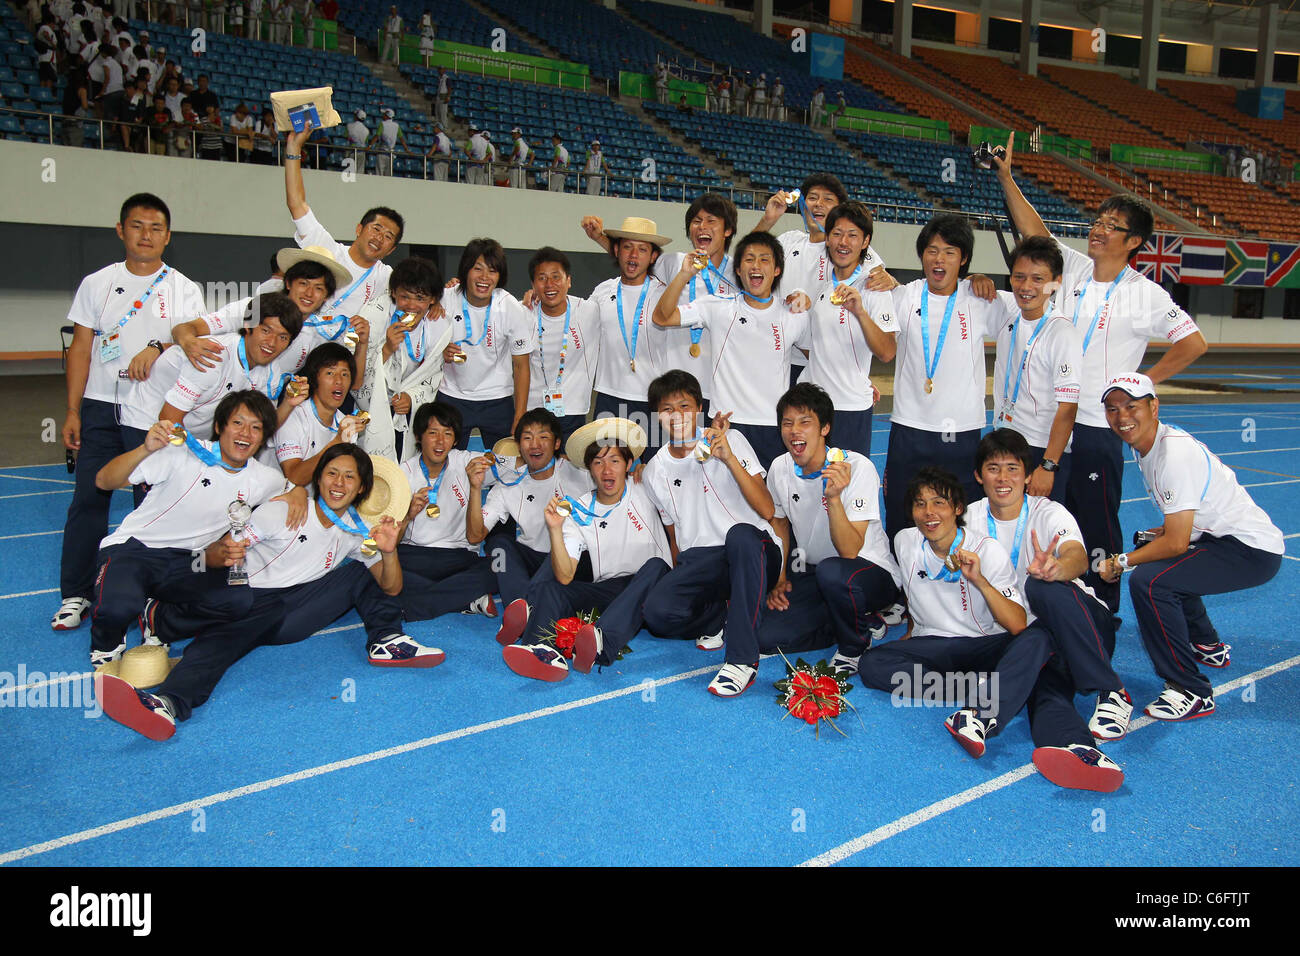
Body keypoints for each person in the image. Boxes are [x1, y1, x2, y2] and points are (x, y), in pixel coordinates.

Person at [994, 132, 1207, 614]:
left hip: (1094, 426)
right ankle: (1047, 602)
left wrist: (1139, 389)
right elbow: (1034, 232)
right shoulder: (1070, 267)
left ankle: (1103, 607)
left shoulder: (1145, 293)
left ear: (1133, 242)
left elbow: (1194, 343)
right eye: (1097, 221)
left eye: (1112, 226)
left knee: (1096, 523)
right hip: (1049, 422)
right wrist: (1007, 177)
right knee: (1046, 516)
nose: (1098, 229)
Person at [99, 443, 443, 740]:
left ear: (362, 487)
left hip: (294, 608)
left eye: (349, 477)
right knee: (223, 641)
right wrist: (222, 557)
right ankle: (167, 702)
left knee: (358, 573)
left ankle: (385, 640)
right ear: (319, 477)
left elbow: (391, 587)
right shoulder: (284, 511)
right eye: (332, 473)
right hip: (245, 597)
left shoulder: (355, 533)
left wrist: (389, 549)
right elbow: (221, 552)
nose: (339, 483)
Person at [53, 194, 206, 632]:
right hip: (101, 406)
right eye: (137, 226)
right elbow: (81, 348)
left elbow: (194, 342)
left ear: (168, 236)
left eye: (156, 228)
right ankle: (76, 595)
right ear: (121, 230)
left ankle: (150, 597)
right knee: (88, 501)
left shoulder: (184, 288)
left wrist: (158, 347)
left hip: (153, 414)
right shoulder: (96, 283)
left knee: (153, 505)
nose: (146, 235)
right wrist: (72, 410)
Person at [1099, 373, 1283, 721]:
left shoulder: (1174, 455)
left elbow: (1177, 542)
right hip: (1219, 537)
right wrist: (1152, 541)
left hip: (1250, 550)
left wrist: (1121, 562)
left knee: (1150, 581)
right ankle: (1207, 644)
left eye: (1131, 406)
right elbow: (1180, 525)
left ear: (1154, 406)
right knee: (1159, 555)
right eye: (1112, 409)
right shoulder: (1149, 446)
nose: (1122, 417)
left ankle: (1189, 689)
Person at [86, 391, 304, 672]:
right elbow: (103, 480)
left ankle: (159, 620)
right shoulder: (180, 453)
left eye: (256, 427)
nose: (245, 434)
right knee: (117, 608)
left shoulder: (264, 479)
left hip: (190, 561)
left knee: (237, 600)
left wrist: (297, 492)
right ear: (219, 427)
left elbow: (290, 488)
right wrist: (145, 448)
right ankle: (107, 641)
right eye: (237, 423)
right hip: (136, 550)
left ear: (263, 439)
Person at [964, 428, 1129, 790]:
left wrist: (1058, 568)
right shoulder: (968, 520)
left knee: (1041, 588)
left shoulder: (1049, 512)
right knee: (1045, 682)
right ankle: (1077, 749)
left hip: (1083, 625)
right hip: (1031, 640)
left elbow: (1077, 555)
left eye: (1012, 468)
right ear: (978, 476)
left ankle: (1111, 688)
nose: (1003, 478)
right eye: (993, 468)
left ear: (1027, 474)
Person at [858, 467, 1055, 767]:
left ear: (957, 509)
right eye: (920, 504)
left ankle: (979, 714)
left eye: (939, 502)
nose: (928, 513)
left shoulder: (987, 550)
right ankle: (984, 686)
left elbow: (1016, 624)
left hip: (982, 645)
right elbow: (914, 592)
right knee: (871, 665)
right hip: (933, 646)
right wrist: (912, 630)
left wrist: (980, 581)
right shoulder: (905, 541)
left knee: (1040, 635)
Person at [640, 371, 786, 697]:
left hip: (754, 550)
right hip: (706, 564)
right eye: (667, 409)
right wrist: (683, 584)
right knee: (657, 612)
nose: (677, 415)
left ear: (700, 407)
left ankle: (742, 660)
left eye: (684, 405)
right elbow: (673, 534)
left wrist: (728, 459)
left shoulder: (729, 440)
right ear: (657, 416)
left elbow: (766, 509)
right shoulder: (654, 472)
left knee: (740, 536)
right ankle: (717, 615)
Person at [496, 419, 672, 682]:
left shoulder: (645, 486)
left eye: (614, 460)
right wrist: (555, 529)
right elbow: (566, 576)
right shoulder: (578, 508)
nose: (606, 470)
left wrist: (647, 468)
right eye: (598, 462)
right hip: (612, 590)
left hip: (654, 589)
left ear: (628, 465)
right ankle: (542, 648)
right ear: (589, 469)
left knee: (656, 565)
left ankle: (603, 641)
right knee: (551, 587)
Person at [760, 383, 901, 683]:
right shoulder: (779, 467)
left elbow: (849, 550)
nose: (794, 431)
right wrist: (782, 577)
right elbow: (780, 523)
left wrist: (834, 498)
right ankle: (846, 620)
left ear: (825, 428)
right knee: (766, 636)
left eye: (804, 422)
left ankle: (854, 645)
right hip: (816, 573)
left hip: (869, 574)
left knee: (835, 571)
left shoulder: (856, 467)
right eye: (787, 423)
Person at [880, 213, 1000, 549]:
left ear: (963, 259)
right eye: (932, 250)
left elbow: (1030, 303)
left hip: (962, 432)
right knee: (902, 515)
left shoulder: (981, 299)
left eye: (950, 252)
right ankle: (900, 593)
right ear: (921, 256)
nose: (939, 259)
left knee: (962, 518)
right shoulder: (903, 296)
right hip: (909, 427)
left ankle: (963, 591)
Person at [652, 230, 810, 470]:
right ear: (738, 270)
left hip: (773, 426)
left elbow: (814, 358)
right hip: (725, 424)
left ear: (777, 270)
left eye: (764, 259)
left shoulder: (794, 314)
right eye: (749, 259)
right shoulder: (718, 307)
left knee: (771, 505)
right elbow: (661, 317)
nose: (756, 265)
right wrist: (684, 274)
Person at [581, 193, 737, 401]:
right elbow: (636, 258)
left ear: (727, 230)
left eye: (711, 221)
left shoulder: (738, 272)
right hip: (677, 389)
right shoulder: (675, 263)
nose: (702, 226)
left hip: (720, 388)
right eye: (696, 221)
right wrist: (599, 237)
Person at [122, 292, 304, 449]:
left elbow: (262, 427)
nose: (272, 343)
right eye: (266, 331)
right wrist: (199, 456)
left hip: (190, 435)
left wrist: (288, 403)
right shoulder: (213, 357)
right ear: (248, 326)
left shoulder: (270, 372)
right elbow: (168, 419)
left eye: (283, 337)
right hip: (147, 422)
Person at [795, 201, 897, 458]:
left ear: (865, 242)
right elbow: (815, 348)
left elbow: (887, 352)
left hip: (850, 409)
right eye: (837, 234)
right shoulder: (822, 288)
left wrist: (860, 312)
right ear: (827, 239)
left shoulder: (874, 288)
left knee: (847, 489)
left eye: (852, 235)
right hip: (813, 407)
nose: (843, 242)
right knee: (813, 488)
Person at [989, 235, 1082, 504]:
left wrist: (1049, 465)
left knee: (1040, 535)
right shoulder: (1009, 312)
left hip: (1040, 450)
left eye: (1038, 279)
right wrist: (978, 279)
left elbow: (1068, 407)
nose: (1026, 286)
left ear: (1056, 283)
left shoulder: (1062, 332)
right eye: (1019, 277)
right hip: (1004, 439)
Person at [468, 408, 593, 607]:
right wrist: (475, 489)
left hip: (573, 562)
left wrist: (640, 469)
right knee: (498, 547)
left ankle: (525, 605)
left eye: (543, 436)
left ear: (557, 443)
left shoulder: (581, 473)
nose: (535, 445)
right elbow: (475, 537)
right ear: (519, 445)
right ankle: (520, 606)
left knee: (562, 548)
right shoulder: (509, 483)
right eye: (527, 438)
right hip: (532, 561)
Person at [390, 402, 498, 621]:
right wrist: (408, 515)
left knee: (500, 566)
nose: (440, 442)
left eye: (447, 434)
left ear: (456, 440)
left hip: (459, 556)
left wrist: (494, 459)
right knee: (372, 566)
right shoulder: (402, 474)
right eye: (433, 433)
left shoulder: (466, 461)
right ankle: (464, 598)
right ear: (419, 437)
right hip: (413, 555)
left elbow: (514, 463)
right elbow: (391, 541)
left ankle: (415, 605)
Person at [284, 119, 401, 318]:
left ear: (391, 250)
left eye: (389, 236)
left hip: (342, 349)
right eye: (377, 228)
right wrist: (294, 149)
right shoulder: (327, 250)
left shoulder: (387, 278)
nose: (380, 238)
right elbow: (297, 204)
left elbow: (420, 292)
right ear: (359, 229)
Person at [436, 238, 533, 449]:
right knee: (447, 462)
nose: (484, 278)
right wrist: (439, 352)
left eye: (492, 271)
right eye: (477, 268)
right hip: (452, 396)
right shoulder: (444, 299)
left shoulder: (508, 306)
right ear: (465, 270)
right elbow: (424, 344)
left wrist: (520, 414)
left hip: (498, 398)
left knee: (506, 465)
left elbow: (521, 364)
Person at [353, 257, 453, 461]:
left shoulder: (438, 326)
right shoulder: (374, 316)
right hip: (372, 411)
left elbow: (433, 377)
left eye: (420, 298)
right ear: (393, 293)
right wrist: (387, 349)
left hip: (410, 412)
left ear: (432, 299)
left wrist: (411, 398)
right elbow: (356, 379)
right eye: (405, 297)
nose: (411, 305)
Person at [587, 217, 670, 451]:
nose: (634, 255)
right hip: (609, 397)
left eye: (642, 249)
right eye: (627, 247)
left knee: (651, 474)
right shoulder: (602, 291)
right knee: (606, 468)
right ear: (616, 251)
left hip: (653, 401)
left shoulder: (665, 293)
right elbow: (574, 318)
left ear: (653, 257)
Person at [518, 248, 600, 440]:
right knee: (537, 468)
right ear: (533, 285)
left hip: (573, 411)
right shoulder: (522, 313)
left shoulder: (590, 311)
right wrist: (451, 290)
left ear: (568, 281)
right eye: (542, 278)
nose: (549, 285)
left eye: (556, 277)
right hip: (534, 411)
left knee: (569, 466)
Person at [274, 342, 370, 486]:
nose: (339, 381)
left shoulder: (344, 422)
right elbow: (294, 477)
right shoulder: (293, 415)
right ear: (314, 378)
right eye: (330, 373)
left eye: (345, 374)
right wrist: (338, 441)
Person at [370, 107, 407, 177]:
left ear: (387, 116)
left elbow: (377, 136)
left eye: (384, 114)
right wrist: (406, 149)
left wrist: (369, 146)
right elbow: (402, 139)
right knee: (388, 174)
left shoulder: (382, 124)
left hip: (382, 152)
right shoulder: (397, 125)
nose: (382, 116)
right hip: (391, 153)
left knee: (379, 173)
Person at [345, 108, 370, 173]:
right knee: (360, 171)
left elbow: (345, 136)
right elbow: (366, 142)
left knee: (350, 171)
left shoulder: (349, 126)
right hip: (361, 151)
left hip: (351, 150)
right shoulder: (366, 130)